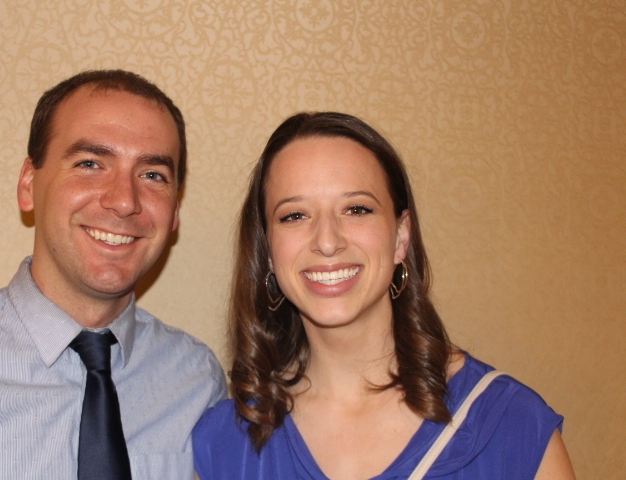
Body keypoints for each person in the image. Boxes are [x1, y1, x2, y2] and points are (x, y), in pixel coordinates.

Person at [192, 112, 575, 479]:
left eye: (356, 209)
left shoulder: (512, 426)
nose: (327, 241)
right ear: (268, 251)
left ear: (401, 236)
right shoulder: (224, 443)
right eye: (294, 215)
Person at [0, 70, 226, 479]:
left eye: (152, 175)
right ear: (28, 184)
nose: (124, 201)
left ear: (175, 211)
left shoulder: (198, 381)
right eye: (90, 163)